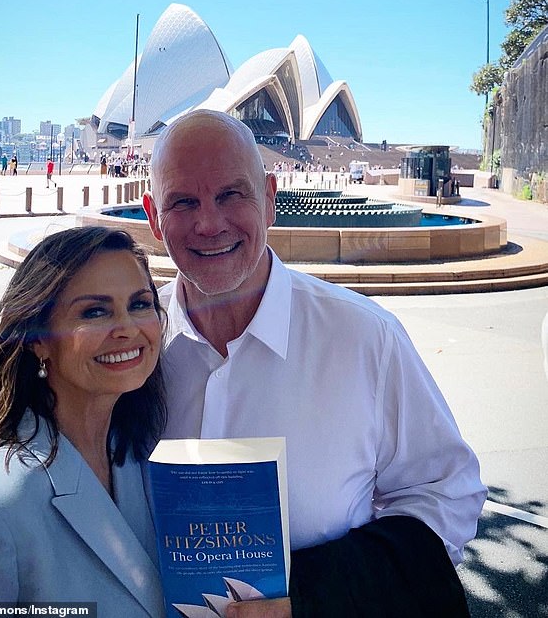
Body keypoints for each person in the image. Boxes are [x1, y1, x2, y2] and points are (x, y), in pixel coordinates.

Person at [142, 110, 486, 618]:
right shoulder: (132, 351)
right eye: (183, 201)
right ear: (152, 215)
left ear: (270, 199)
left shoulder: (364, 338)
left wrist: (315, 596)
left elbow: (447, 492)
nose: (208, 223)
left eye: (232, 195)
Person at [0, 227, 166, 616]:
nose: (128, 328)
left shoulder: (143, 459)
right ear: (37, 338)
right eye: (94, 311)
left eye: (140, 303)